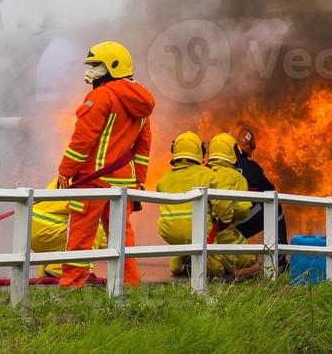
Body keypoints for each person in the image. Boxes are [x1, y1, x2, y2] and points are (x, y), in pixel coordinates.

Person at [57, 40, 155, 289]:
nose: (90, 70)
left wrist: (65, 171)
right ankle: (129, 285)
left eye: (96, 65)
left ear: (113, 66)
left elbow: (83, 140)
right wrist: (139, 181)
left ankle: (71, 286)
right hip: (122, 183)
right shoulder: (142, 104)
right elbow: (142, 150)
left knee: (81, 235)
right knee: (122, 238)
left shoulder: (100, 96)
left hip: (93, 181)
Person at [155, 131, 218, 276]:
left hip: (170, 233)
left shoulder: (163, 180)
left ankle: (177, 265)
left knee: (182, 242)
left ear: (174, 151)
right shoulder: (209, 175)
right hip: (200, 231)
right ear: (201, 152)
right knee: (218, 262)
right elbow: (220, 205)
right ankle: (205, 265)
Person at [31, 179, 107, 280]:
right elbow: (86, 220)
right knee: (91, 228)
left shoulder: (68, 178)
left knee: (69, 235)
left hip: (30, 232)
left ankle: (46, 273)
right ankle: (63, 270)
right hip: (48, 232)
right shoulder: (92, 186)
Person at [230, 123, 288, 249]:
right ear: (248, 147)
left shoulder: (217, 166)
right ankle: (279, 260)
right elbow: (269, 190)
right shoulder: (250, 167)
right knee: (274, 208)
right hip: (236, 223)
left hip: (219, 224)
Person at [206, 132, 255, 276]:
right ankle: (215, 264)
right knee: (250, 259)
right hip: (223, 233)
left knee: (190, 251)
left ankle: (188, 260)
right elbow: (243, 210)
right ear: (232, 152)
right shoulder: (237, 178)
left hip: (198, 232)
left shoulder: (203, 172)